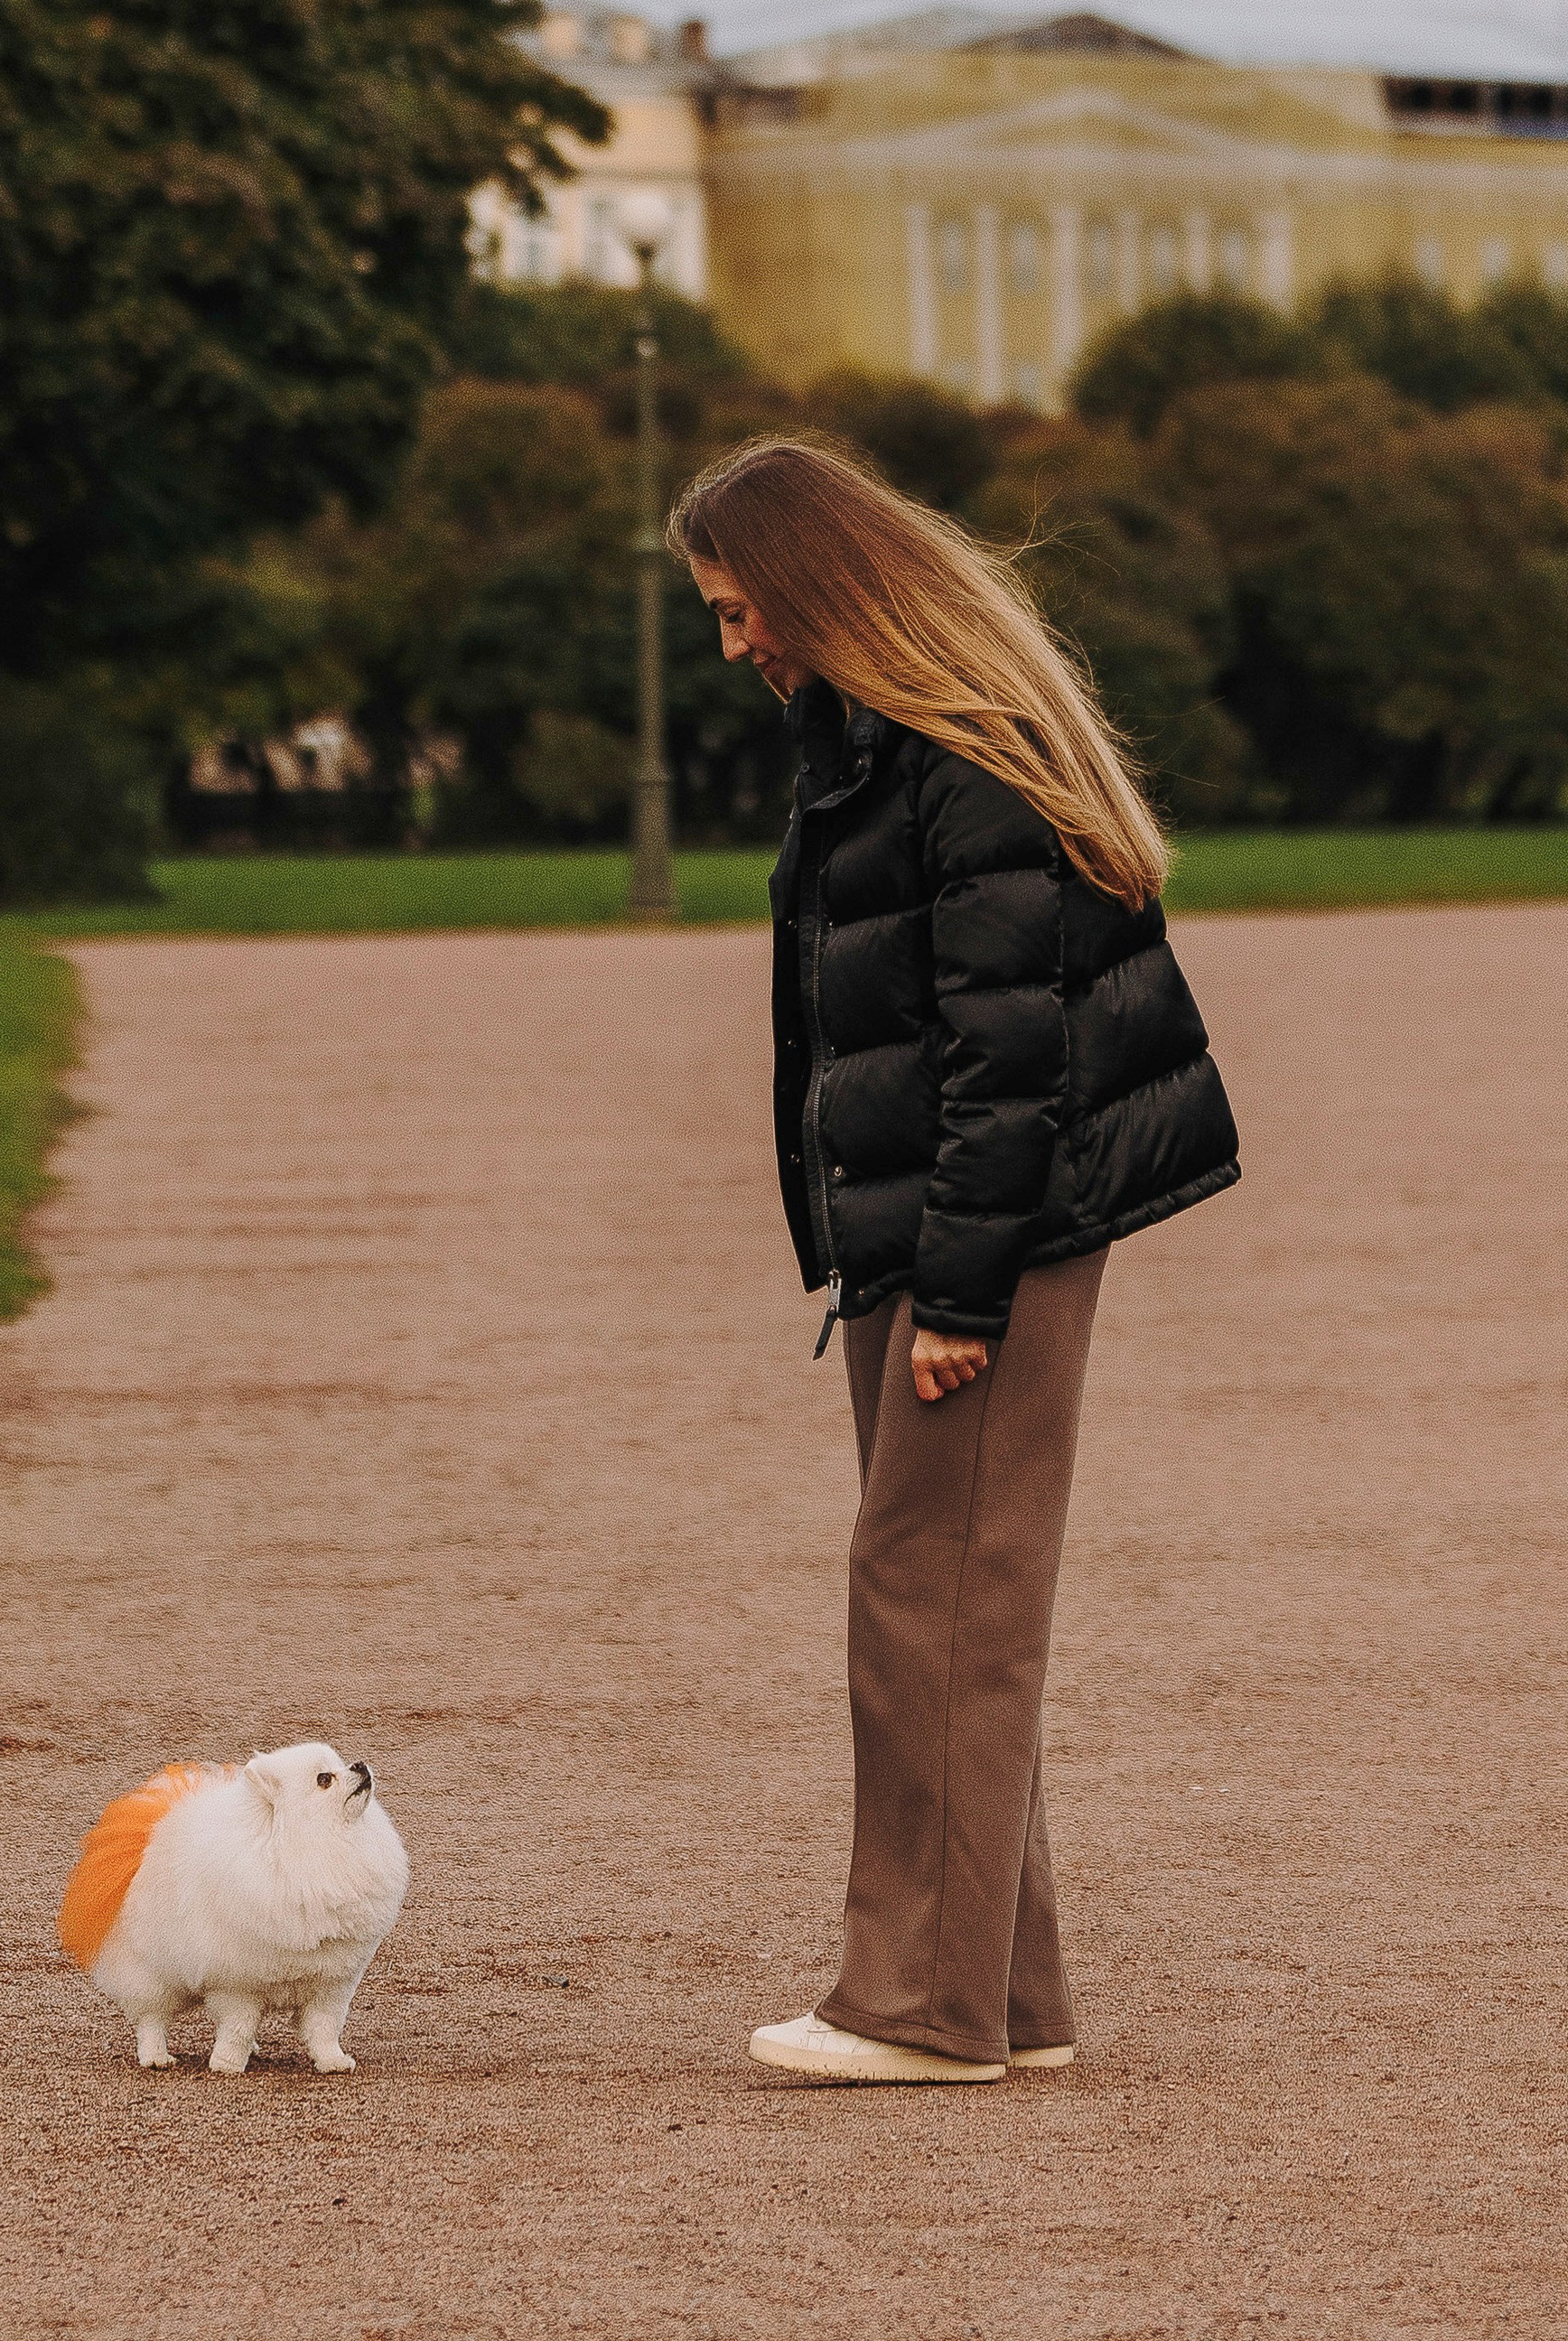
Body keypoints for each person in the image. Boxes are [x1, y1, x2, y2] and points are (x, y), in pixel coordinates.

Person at [667, 434, 1238, 2085]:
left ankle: (917, 2006)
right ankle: (1010, 1994)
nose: (736, 645)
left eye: (737, 608)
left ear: (817, 583)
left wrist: (963, 1294)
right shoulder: (875, 739)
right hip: (924, 1216)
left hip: (980, 1225)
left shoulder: (953, 759)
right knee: (952, 1589)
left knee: (929, 1594)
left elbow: (1013, 1048)